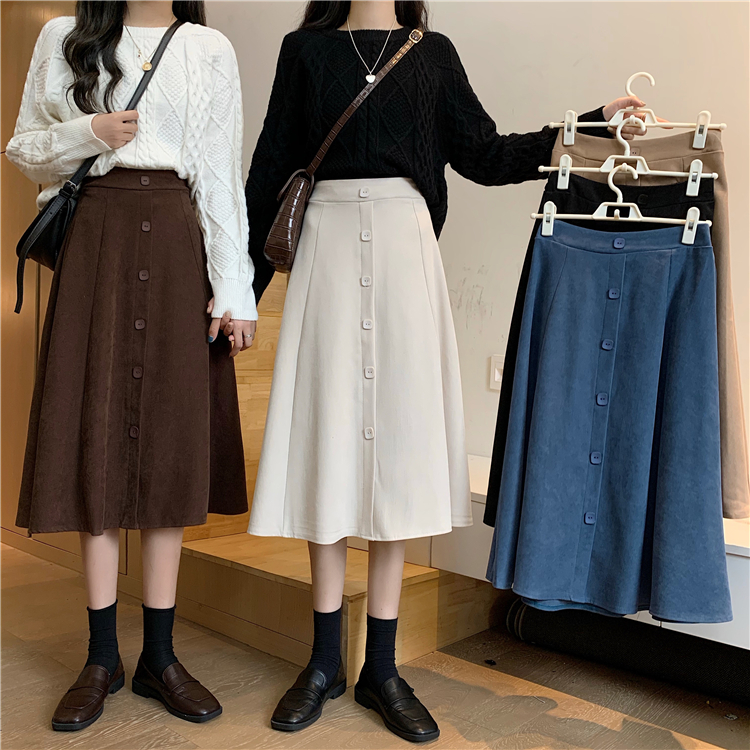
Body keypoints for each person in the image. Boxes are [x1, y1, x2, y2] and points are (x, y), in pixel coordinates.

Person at [245, 0, 646, 743]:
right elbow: (271, 165)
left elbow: (485, 154)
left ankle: (382, 668)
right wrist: (240, 292)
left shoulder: (432, 54)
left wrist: (587, 127)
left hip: (406, 257)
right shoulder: (304, 52)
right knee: (327, 447)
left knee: (397, 457)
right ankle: (324, 662)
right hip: (326, 256)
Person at [6, 0, 256, 731]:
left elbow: (220, 173)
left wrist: (234, 288)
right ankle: (101, 657)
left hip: (179, 246)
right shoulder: (64, 36)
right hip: (97, 243)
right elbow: (23, 149)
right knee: (96, 436)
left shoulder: (208, 48)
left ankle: (160, 657)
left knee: (170, 449)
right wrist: (89, 133)